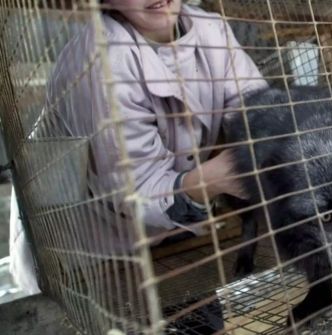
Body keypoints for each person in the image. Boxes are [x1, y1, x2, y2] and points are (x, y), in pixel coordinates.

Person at [9, 0, 268, 303]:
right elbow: (136, 194)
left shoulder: (211, 30)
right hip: (90, 254)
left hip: (171, 223)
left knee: (197, 315)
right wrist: (214, 178)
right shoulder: (100, 61)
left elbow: (258, 111)